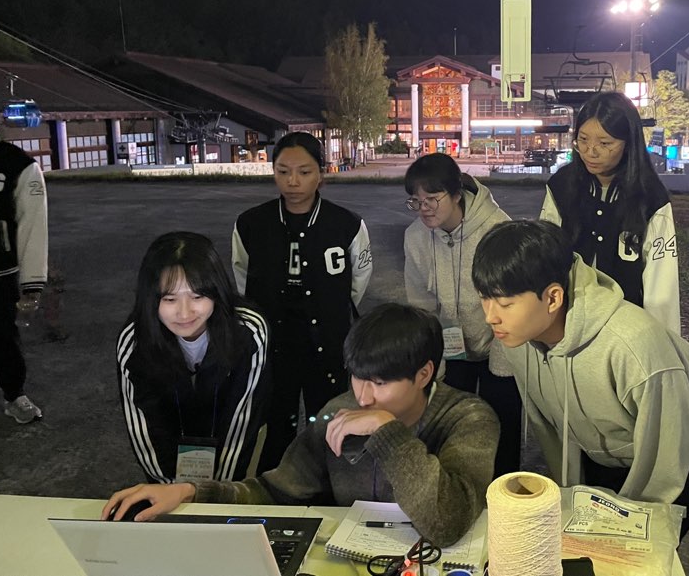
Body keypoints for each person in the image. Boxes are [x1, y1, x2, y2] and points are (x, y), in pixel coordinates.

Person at [103, 303, 499, 548]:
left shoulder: (468, 419)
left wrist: (387, 433)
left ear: (424, 374)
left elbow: (447, 523)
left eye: (380, 383)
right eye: (357, 377)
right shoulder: (337, 413)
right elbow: (275, 492)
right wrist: (192, 492)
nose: (363, 397)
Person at [472, 220, 689, 539]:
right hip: (619, 441)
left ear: (553, 298)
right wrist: (568, 495)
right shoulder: (518, 337)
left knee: (644, 544)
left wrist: (628, 531)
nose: (490, 317)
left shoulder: (632, 346)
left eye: (505, 304)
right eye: (484, 299)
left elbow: (666, 455)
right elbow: (551, 426)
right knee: (586, 534)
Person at [232, 132, 372, 471]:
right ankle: (274, 483)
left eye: (304, 172)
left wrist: (331, 309)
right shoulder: (251, 224)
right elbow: (242, 276)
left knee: (326, 419)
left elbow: (358, 280)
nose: (293, 181)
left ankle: (326, 482)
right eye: (283, 171)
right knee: (275, 421)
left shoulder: (346, 224)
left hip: (327, 342)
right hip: (274, 344)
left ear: (321, 173)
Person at [117, 232, 270, 483]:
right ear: (150, 299)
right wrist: (169, 488)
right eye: (170, 299)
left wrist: (215, 492)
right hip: (169, 454)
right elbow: (144, 426)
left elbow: (242, 420)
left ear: (217, 291)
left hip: (231, 454)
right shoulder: (135, 341)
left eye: (197, 296)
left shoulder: (248, 332)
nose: (185, 313)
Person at [403, 153, 521, 475]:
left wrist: (502, 364)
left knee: (502, 422)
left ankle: (504, 487)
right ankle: (460, 488)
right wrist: (434, 358)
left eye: (432, 198)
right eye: (416, 201)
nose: (424, 208)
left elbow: (512, 303)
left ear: (456, 194)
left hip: (498, 341)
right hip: (451, 346)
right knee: (453, 423)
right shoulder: (415, 237)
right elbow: (421, 305)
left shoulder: (497, 230)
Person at [541, 91, 681, 338]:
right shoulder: (561, 186)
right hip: (569, 324)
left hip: (626, 330)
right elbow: (544, 256)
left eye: (605, 144)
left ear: (628, 144)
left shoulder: (651, 198)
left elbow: (661, 288)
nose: (591, 152)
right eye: (583, 140)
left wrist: (663, 344)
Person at [0, 85, 47, 424]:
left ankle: (15, 396)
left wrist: (32, 283)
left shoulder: (18, 165)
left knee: (4, 340)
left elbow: (32, 225)